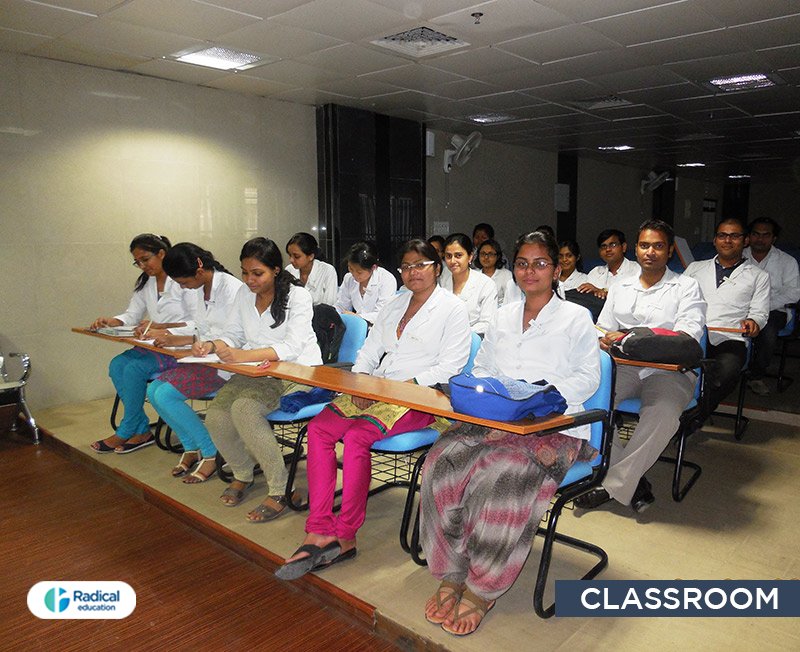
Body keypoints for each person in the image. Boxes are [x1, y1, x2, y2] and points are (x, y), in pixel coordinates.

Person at [420, 230, 601, 636]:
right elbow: (483, 366)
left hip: (552, 424)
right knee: (440, 463)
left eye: (540, 263)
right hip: (499, 418)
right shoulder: (502, 316)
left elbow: (588, 378)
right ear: (513, 268)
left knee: (498, 475)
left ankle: (484, 586)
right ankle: (453, 569)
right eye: (522, 263)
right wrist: (492, 391)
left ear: (556, 269)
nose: (530, 270)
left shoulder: (576, 318)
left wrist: (539, 398)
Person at [274, 239, 471, 581]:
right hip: (377, 387)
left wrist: (403, 385)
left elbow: (451, 366)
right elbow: (369, 349)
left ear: (436, 268)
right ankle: (319, 527)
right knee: (319, 429)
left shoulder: (452, 308)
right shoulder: (395, 306)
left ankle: (346, 533)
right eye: (407, 266)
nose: (413, 272)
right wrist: (362, 380)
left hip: (420, 396)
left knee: (356, 437)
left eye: (421, 264)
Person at [575, 219, 705, 513]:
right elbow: (601, 328)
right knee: (586, 407)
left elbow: (688, 337)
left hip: (669, 371)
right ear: (636, 249)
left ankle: (612, 485)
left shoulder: (686, 287)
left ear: (669, 251)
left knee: (662, 414)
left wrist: (628, 338)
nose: (650, 252)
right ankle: (634, 481)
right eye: (645, 245)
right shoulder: (621, 286)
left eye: (658, 246)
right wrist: (605, 339)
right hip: (624, 367)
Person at [196, 237, 322, 522]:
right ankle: (243, 472)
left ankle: (279, 489)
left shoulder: (297, 296)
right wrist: (215, 345)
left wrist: (241, 355)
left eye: (257, 273)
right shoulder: (244, 294)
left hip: (295, 371)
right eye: (245, 272)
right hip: (255, 370)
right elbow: (233, 334)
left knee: (244, 409)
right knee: (216, 415)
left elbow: (292, 347)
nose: (249, 280)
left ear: (276, 270)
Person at [145, 243, 244, 483]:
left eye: (183, 282)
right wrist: (176, 337)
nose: (182, 287)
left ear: (198, 271)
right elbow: (201, 327)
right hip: (205, 359)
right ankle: (191, 447)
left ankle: (211, 452)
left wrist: (203, 342)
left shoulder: (232, 289)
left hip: (226, 364)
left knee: (167, 394)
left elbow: (234, 334)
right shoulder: (202, 288)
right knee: (153, 390)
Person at [89, 234, 195, 454]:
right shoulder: (146, 283)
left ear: (162, 253)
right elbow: (133, 314)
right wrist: (113, 321)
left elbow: (199, 323)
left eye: (146, 259)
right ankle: (140, 429)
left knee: (134, 368)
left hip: (178, 349)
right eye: (137, 262)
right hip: (153, 346)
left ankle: (128, 428)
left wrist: (162, 328)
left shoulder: (183, 280)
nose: (142, 265)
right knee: (118, 365)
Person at [684, 218, 770, 411]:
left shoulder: (759, 276)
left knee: (722, 378)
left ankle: (693, 418)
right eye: (722, 235)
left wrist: (754, 322)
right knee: (670, 373)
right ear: (715, 240)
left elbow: (760, 313)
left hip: (730, 339)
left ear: (745, 241)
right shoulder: (694, 268)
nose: (727, 240)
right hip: (692, 336)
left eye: (734, 236)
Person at [743, 217, 800, 395]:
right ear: (749, 236)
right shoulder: (738, 256)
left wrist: (762, 306)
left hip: (774, 309)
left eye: (765, 235)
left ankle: (756, 376)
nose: (760, 239)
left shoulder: (787, 261)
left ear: (773, 238)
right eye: (755, 234)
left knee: (766, 331)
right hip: (740, 307)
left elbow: (793, 293)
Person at [440, 233, 498, 335]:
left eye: (458, 255)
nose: (453, 261)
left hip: (474, 340)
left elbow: (487, 323)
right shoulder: (442, 280)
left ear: (470, 257)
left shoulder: (486, 284)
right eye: (448, 256)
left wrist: (459, 334)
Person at [334, 241, 397, 324]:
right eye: (351, 269)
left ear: (373, 267)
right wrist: (331, 313)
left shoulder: (386, 279)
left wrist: (357, 317)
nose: (354, 274)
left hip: (379, 327)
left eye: (359, 272)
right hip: (356, 324)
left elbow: (382, 314)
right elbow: (342, 305)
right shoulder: (349, 278)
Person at [578, 229, 641, 299]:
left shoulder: (637, 270)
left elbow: (633, 297)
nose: (608, 249)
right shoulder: (595, 272)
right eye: (603, 246)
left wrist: (603, 292)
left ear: (623, 247)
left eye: (613, 245)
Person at [285, 232, 339, 306]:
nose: (291, 260)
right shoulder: (289, 270)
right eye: (290, 255)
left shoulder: (328, 271)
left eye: (296, 256)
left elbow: (329, 306)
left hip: (321, 316)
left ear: (311, 256)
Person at [476, 239, 513, 305]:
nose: (486, 257)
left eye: (490, 254)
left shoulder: (506, 275)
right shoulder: (474, 275)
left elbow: (511, 301)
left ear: (498, 256)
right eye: (483, 254)